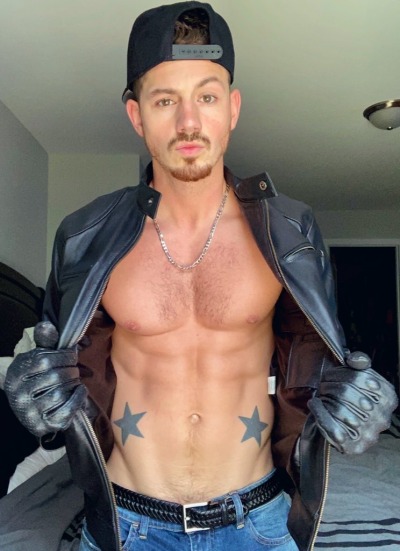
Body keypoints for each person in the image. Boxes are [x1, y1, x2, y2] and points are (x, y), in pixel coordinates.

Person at [4, 2, 398, 551]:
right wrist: (30, 395)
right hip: (126, 523)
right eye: (165, 100)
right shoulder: (84, 236)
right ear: (137, 115)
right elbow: (53, 369)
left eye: (207, 97)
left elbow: (325, 362)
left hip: (258, 522)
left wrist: (362, 398)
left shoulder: (291, 230)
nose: (189, 122)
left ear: (232, 107)